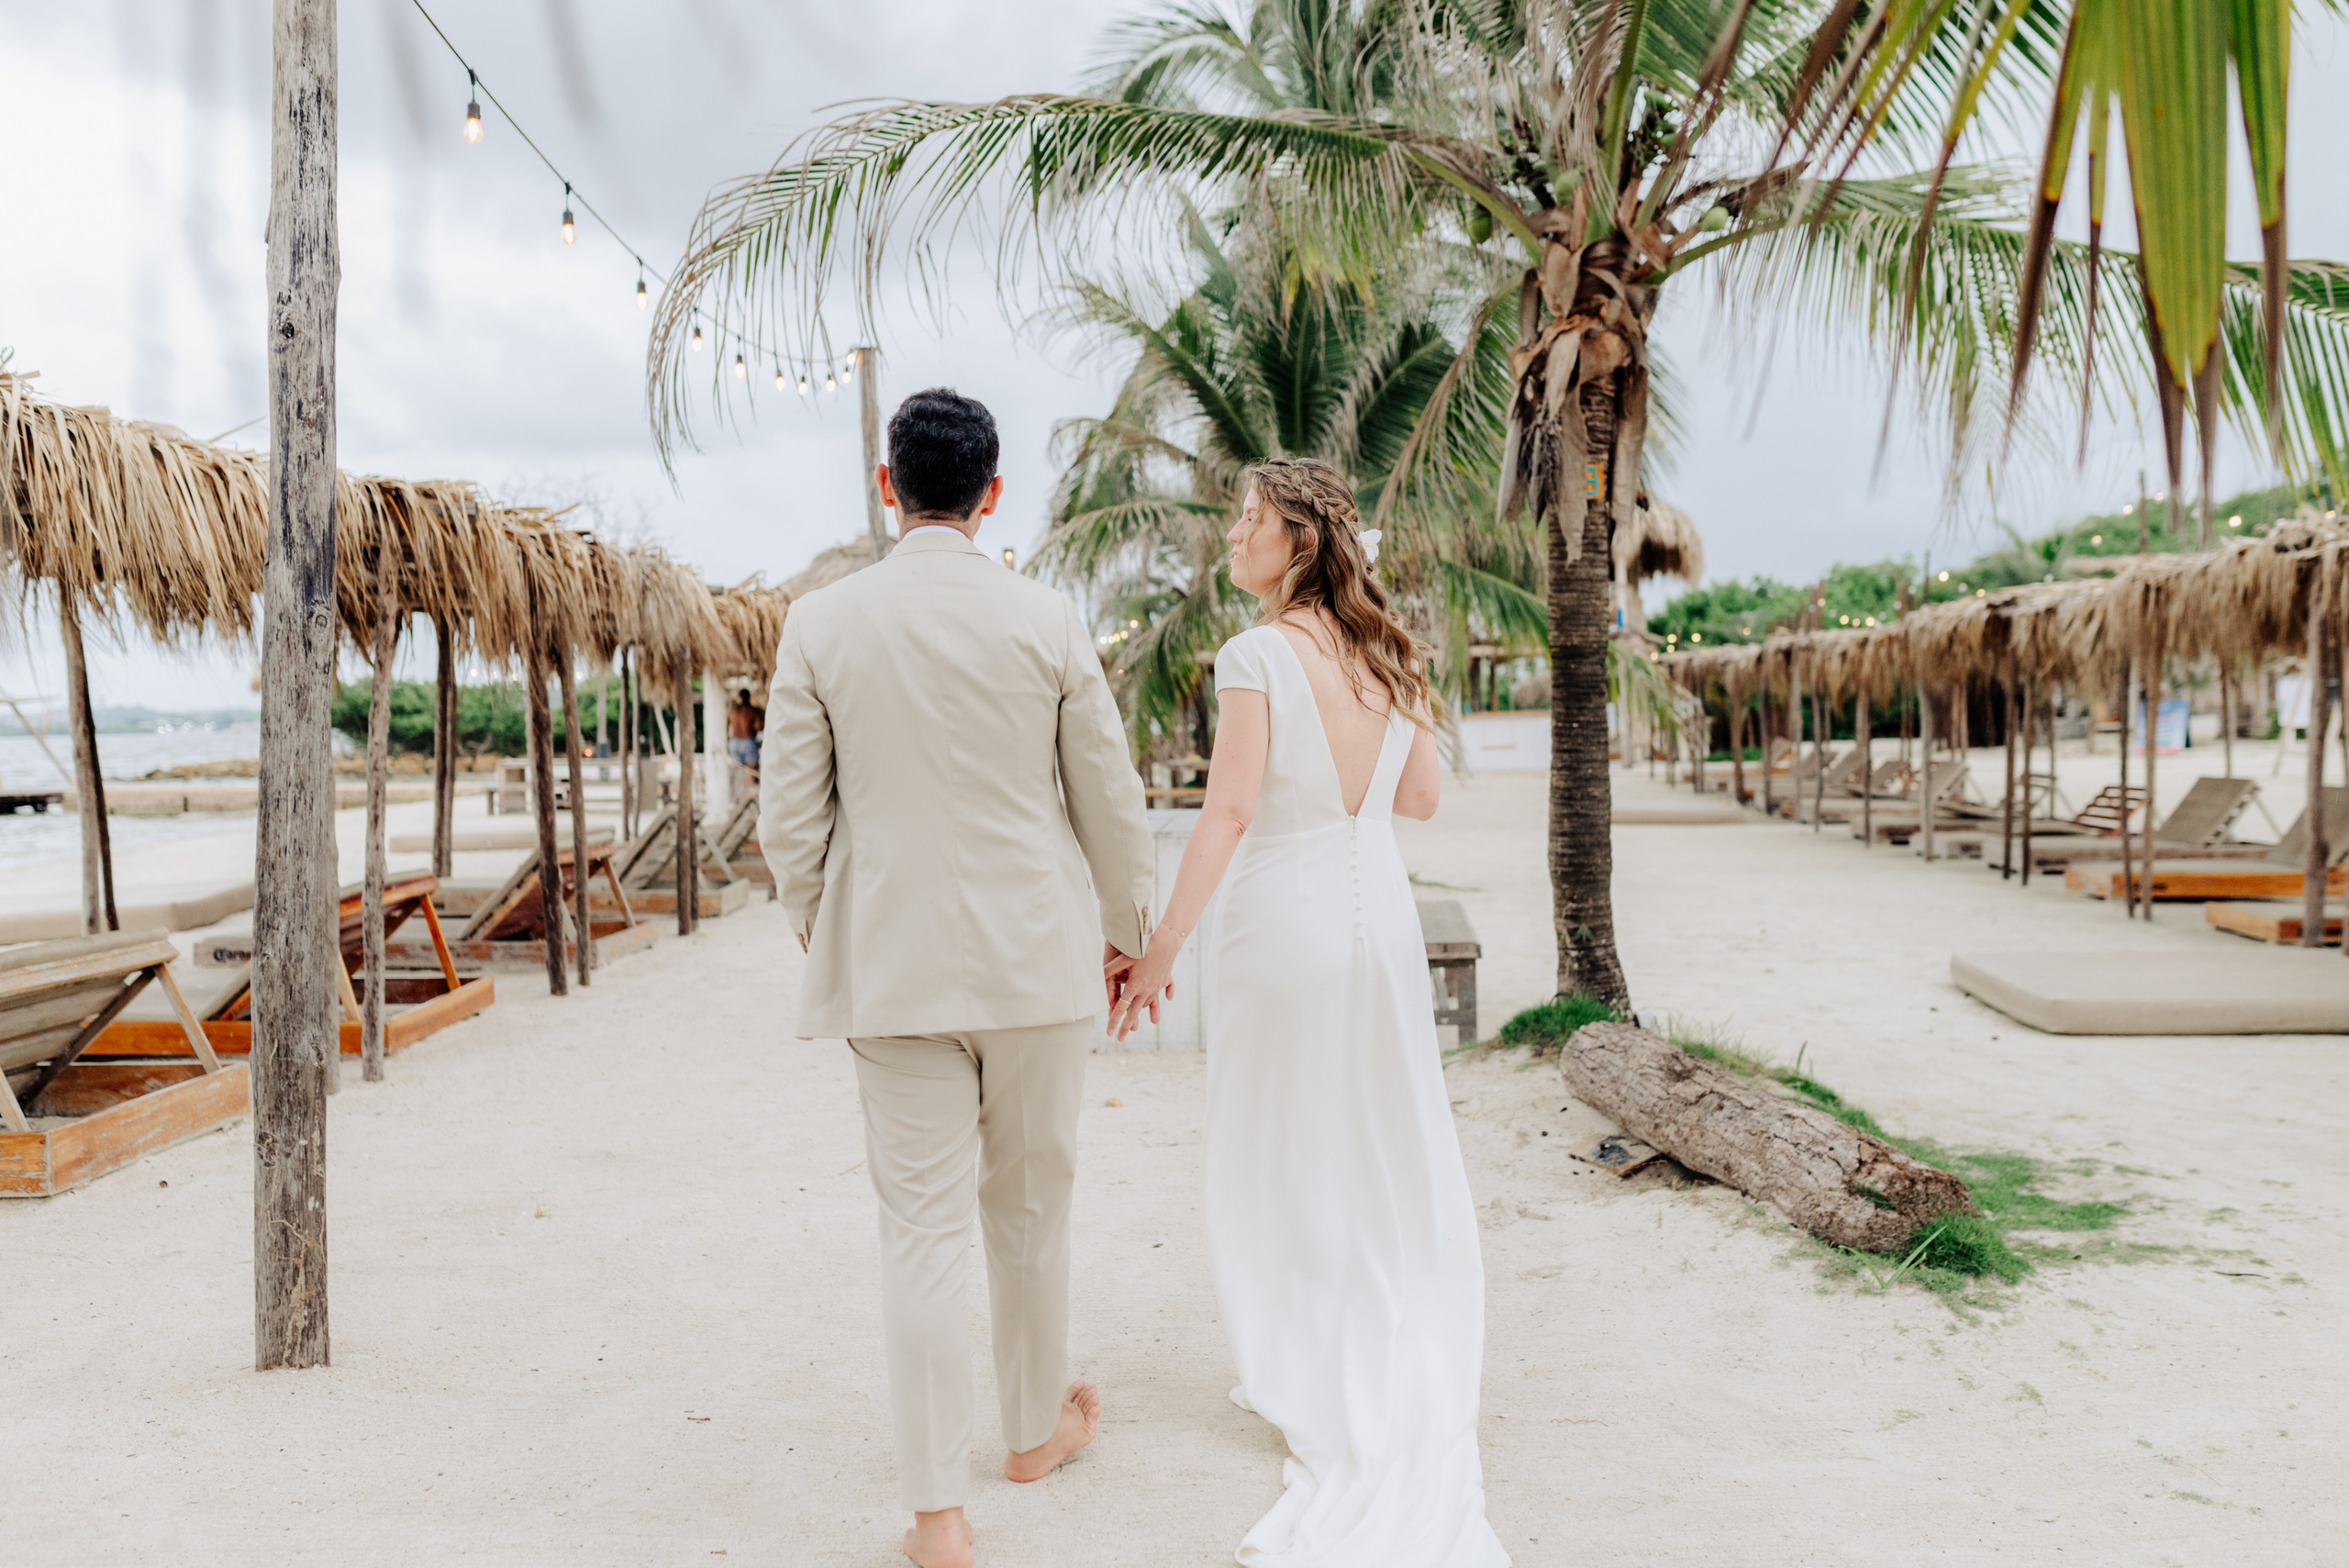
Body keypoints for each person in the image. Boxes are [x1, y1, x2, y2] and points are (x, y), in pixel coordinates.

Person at [759, 387, 1156, 1568]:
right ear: (993, 495)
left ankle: (939, 1513)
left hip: (893, 967)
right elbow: (1110, 800)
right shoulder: (1048, 618)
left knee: (921, 1231)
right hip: (1038, 961)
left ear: (888, 485)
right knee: (1032, 1206)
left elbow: (789, 822)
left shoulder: (821, 624)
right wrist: (1130, 928)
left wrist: (819, 922)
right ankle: (1034, 1432)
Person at [1108, 457, 1509, 1567]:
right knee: (1374, 1132)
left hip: (1280, 914)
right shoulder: (1390, 651)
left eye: (1246, 523)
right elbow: (1418, 797)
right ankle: (1369, 1330)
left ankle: (1300, 1352)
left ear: (1296, 539)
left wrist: (1158, 951)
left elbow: (1228, 807)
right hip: (1376, 914)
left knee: (1276, 1142)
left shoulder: (1254, 654)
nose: (1230, 539)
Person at [725, 689, 763, 782]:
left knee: (738, 772)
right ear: (749, 698)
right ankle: (750, 794)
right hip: (748, 742)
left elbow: (728, 726)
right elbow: (758, 726)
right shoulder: (752, 710)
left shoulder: (733, 711)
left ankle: (739, 794)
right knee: (751, 772)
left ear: (739, 698)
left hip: (734, 743)